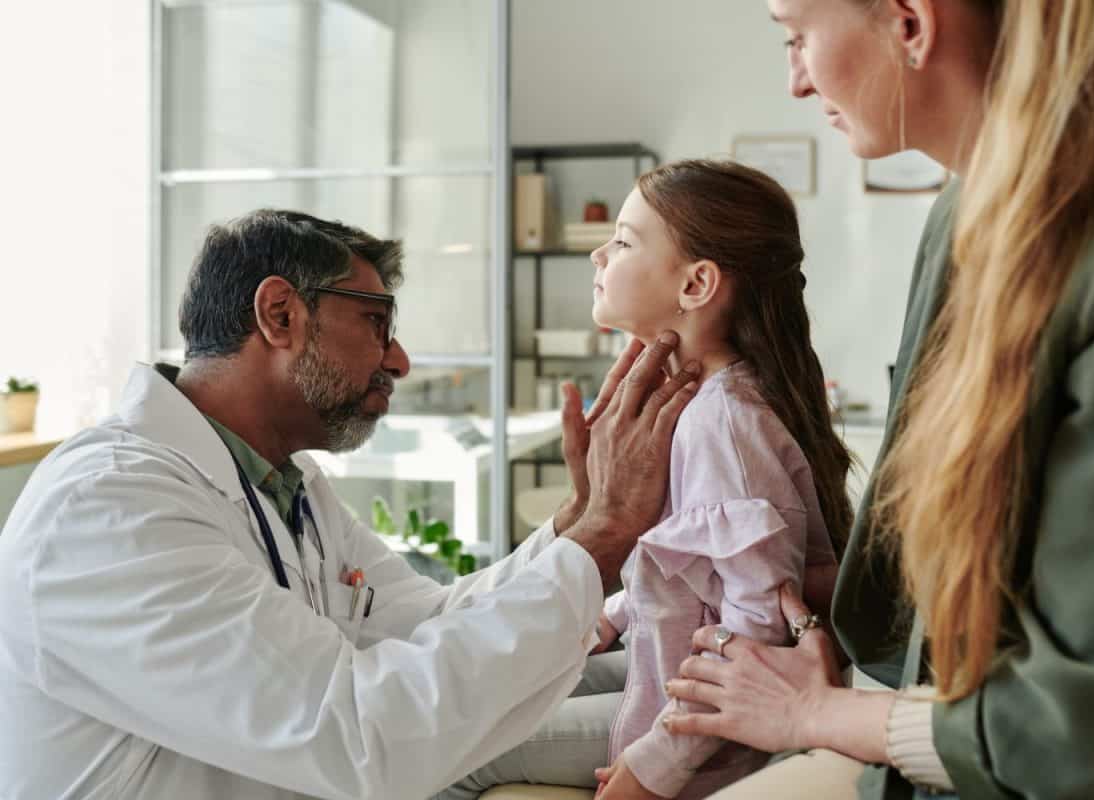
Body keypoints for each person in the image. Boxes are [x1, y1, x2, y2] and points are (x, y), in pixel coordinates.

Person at [659, 1, 1094, 798]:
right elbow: (920, 602)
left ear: (911, 21)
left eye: (797, 37)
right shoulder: (965, 214)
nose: (797, 81)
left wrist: (814, 714)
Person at [0, 209, 702, 800]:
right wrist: (604, 538)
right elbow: (358, 736)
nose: (398, 360)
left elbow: (423, 621)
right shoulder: (110, 509)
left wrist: (579, 523)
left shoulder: (285, 484)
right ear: (280, 315)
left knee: (647, 680)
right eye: (376, 322)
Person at [435, 159, 853, 800]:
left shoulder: (726, 423)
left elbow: (757, 634)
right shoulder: (694, 406)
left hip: (712, 730)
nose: (599, 253)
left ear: (696, 284)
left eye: (624, 241)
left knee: (442, 755)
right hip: (660, 672)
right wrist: (610, 615)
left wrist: (655, 766)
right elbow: (690, 573)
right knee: (475, 697)